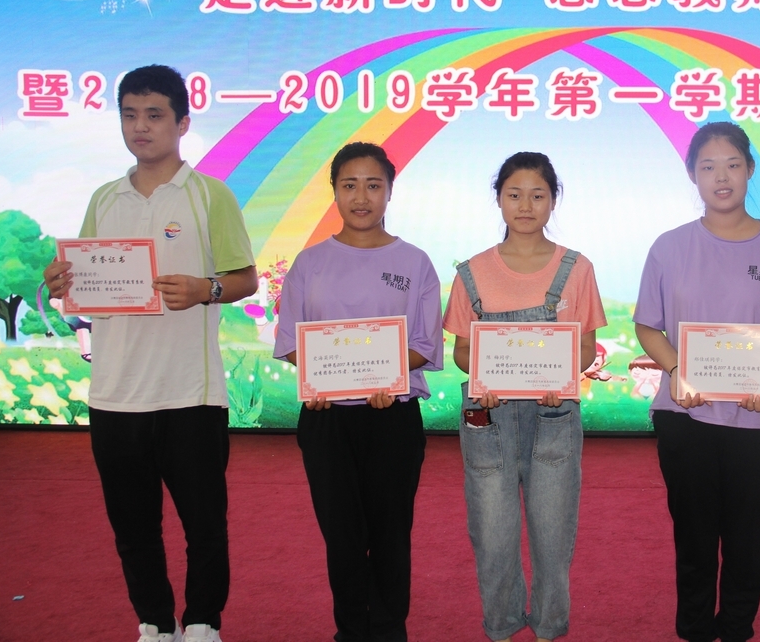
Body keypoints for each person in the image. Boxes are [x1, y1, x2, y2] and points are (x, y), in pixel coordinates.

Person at [43, 65, 257, 642]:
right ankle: (155, 624)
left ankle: (204, 622)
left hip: (191, 392)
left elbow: (245, 277)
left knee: (204, 524)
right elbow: (81, 280)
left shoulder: (209, 195)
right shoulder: (104, 198)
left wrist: (206, 289)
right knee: (132, 527)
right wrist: (60, 282)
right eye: (130, 115)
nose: (141, 127)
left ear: (182, 123)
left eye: (155, 115)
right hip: (115, 394)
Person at [633, 121, 760, 642]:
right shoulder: (669, 247)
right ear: (693, 174)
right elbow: (648, 325)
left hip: (759, 420)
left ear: (750, 170)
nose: (721, 177)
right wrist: (676, 370)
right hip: (685, 417)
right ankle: (693, 630)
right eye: (708, 166)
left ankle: (737, 629)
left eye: (733, 165)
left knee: (745, 541)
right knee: (693, 541)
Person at [273, 142, 443, 642]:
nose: (361, 197)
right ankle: (349, 632)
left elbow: (424, 345)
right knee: (342, 538)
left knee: (391, 535)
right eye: (349, 185)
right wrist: (323, 377)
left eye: (373, 185)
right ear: (334, 191)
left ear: (390, 191)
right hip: (327, 417)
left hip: (392, 416)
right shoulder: (309, 263)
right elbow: (291, 342)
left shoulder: (415, 262)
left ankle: (389, 632)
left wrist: (383, 376)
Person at [443, 152, 606, 642]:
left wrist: (562, 374)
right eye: (514, 194)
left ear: (553, 201)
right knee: (492, 535)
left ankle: (550, 626)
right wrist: (484, 377)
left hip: (554, 413)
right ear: (499, 199)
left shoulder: (577, 268)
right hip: (488, 418)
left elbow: (585, 346)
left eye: (538, 195)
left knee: (553, 535)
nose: (526, 205)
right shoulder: (471, 272)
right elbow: (463, 351)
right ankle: (501, 624)